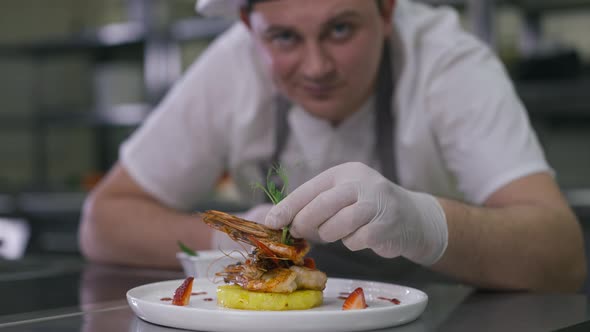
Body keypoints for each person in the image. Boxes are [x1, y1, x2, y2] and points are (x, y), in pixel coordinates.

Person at [78, 0, 586, 292]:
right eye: (283, 39)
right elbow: (104, 222)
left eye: (341, 29)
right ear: (248, 29)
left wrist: (425, 223)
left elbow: (563, 255)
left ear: (386, 12)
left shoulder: (447, 62)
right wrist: (239, 238)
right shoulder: (232, 65)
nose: (317, 66)